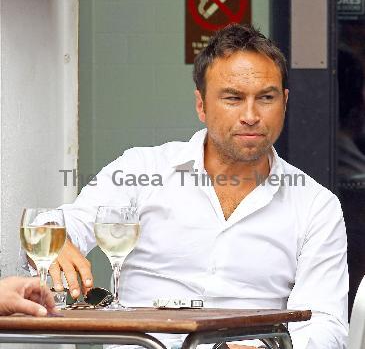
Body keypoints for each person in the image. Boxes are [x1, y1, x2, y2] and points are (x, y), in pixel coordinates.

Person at [37, 24, 348, 348]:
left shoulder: (315, 206)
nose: (251, 115)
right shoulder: (140, 170)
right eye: (233, 98)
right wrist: (54, 241)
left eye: (266, 98)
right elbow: (57, 226)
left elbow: (327, 325)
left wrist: (263, 348)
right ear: (201, 105)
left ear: (284, 102)